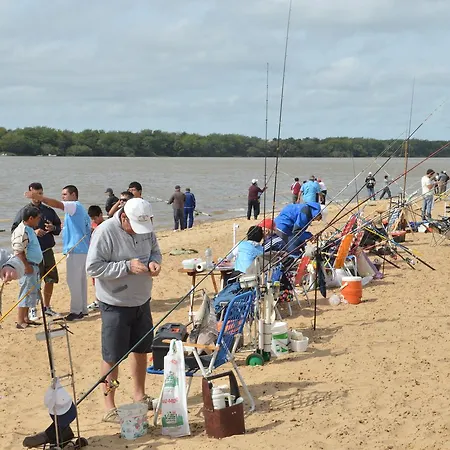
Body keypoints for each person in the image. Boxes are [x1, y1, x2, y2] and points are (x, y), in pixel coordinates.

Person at [86, 198, 162, 423]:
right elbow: (93, 267)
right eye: (135, 226)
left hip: (142, 300)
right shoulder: (104, 232)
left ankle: (140, 395)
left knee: (141, 350)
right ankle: (109, 406)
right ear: (124, 217)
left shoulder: (146, 228)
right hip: (114, 303)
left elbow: (155, 251)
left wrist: (154, 263)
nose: (139, 231)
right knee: (112, 356)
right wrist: (126, 266)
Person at [25, 185, 91, 321]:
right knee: (80, 281)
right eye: (62, 194)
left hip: (76, 250)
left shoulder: (73, 206)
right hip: (81, 249)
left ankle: (76, 311)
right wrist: (54, 228)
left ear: (73, 195)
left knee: (74, 281)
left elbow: (57, 204)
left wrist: (39, 197)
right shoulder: (79, 209)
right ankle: (83, 309)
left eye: (65, 194)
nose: (63, 197)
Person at [12, 182, 62, 319]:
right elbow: (15, 231)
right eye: (35, 194)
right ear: (29, 194)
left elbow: (58, 227)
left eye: (40, 194)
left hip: (48, 250)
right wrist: (34, 232)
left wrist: (53, 228)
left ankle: (47, 307)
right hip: (32, 254)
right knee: (34, 281)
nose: (38, 197)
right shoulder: (24, 212)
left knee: (51, 279)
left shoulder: (49, 211)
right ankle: (32, 308)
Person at [11, 206, 43, 329]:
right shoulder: (21, 231)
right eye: (38, 218)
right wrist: (26, 266)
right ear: (30, 218)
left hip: (34, 265)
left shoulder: (30, 229)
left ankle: (26, 318)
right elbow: (18, 251)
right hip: (27, 266)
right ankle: (20, 321)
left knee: (31, 292)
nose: (39, 220)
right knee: (25, 292)